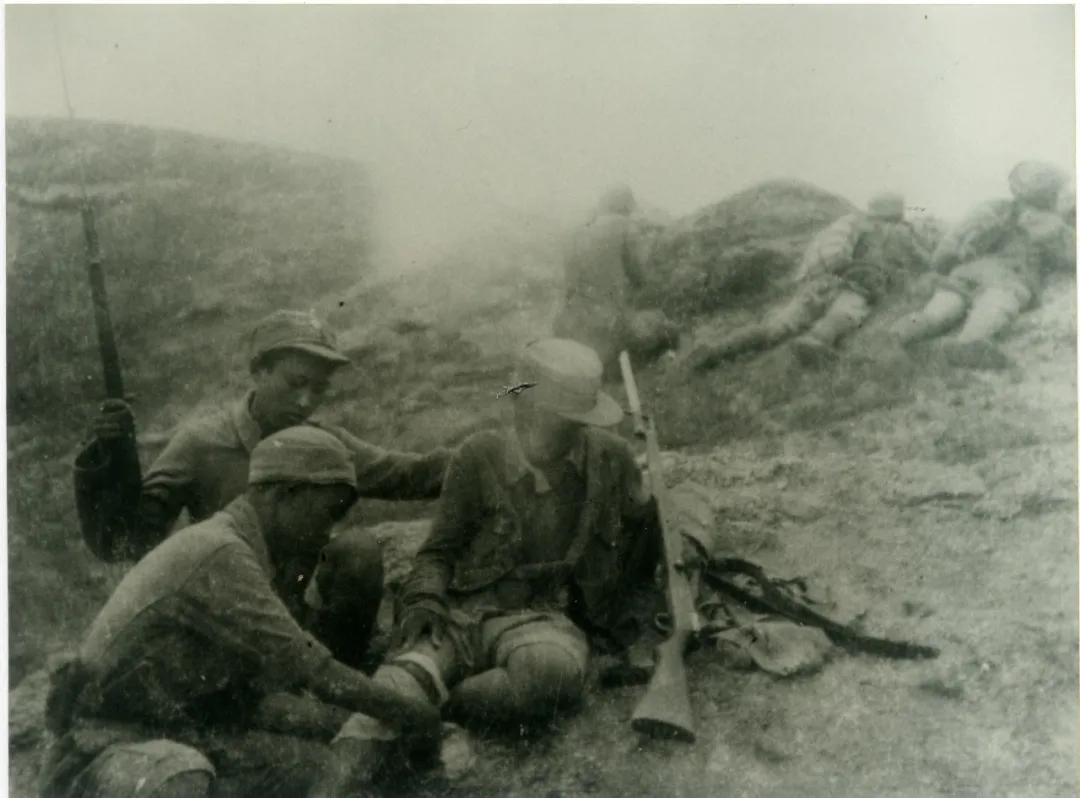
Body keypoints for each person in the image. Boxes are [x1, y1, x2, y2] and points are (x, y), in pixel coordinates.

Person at [310, 337, 679, 796]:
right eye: (559, 419)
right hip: (459, 612)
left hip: (546, 617)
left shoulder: (610, 457)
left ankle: (435, 712)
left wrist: (634, 620)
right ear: (525, 409)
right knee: (396, 687)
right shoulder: (479, 454)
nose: (568, 432)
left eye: (575, 422)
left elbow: (645, 542)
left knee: (551, 675)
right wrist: (423, 599)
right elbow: (438, 552)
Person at [41, 427, 442, 798]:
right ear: (280, 494)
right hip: (98, 744)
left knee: (321, 768)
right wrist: (412, 713)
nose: (327, 532)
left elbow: (258, 695)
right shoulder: (220, 552)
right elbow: (313, 670)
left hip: (179, 726)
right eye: (326, 513)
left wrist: (345, 722)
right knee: (183, 777)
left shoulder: (244, 548)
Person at [74, 309, 452, 666]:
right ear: (259, 371)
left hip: (294, 613)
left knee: (358, 551)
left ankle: (337, 682)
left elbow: (406, 475)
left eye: (318, 389)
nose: (305, 401)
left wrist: (481, 457)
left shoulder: (325, 445)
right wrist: (106, 462)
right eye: (295, 383)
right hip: (226, 618)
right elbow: (130, 540)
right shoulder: (202, 443)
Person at [687, 192, 931, 369]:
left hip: (821, 281)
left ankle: (718, 349)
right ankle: (815, 341)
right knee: (845, 314)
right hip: (858, 285)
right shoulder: (901, 231)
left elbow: (834, 250)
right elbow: (923, 259)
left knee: (779, 325)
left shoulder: (855, 222)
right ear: (898, 212)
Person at [891, 161, 1075, 367]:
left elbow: (951, 243)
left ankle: (904, 331)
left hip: (964, 273)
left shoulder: (993, 207)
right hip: (1008, 280)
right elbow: (1072, 256)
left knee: (939, 312)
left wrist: (942, 264)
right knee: (994, 308)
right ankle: (969, 343)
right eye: (1061, 191)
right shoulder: (1049, 223)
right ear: (1048, 195)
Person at [553, 186, 677, 377]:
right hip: (609, 330)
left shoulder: (578, 232)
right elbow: (640, 278)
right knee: (667, 329)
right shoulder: (624, 226)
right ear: (627, 206)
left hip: (571, 334)